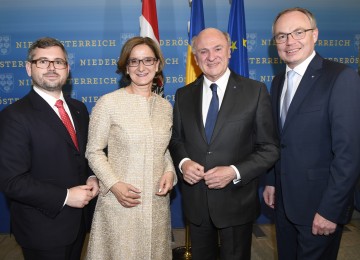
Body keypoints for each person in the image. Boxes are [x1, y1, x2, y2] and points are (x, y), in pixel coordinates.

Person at [170, 28, 279, 260]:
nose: (211, 57)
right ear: (195, 58)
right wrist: (184, 163)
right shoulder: (182, 95)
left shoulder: (255, 91)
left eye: (218, 49)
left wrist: (234, 171)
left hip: (237, 202)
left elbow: (269, 149)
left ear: (229, 52)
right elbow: (176, 140)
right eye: (203, 51)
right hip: (196, 204)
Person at [263, 7, 360, 260]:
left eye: (298, 32)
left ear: (315, 35)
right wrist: (273, 181)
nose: (289, 41)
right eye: (281, 36)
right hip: (284, 205)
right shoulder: (278, 82)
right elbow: (280, 140)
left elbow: (349, 154)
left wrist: (331, 210)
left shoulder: (341, 78)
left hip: (320, 208)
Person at [0, 37, 99, 260]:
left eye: (58, 62)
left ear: (67, 68)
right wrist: (65, 196)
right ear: (29, 68)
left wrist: (92, 176)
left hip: (78, 224)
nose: (52, 68)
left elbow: (82, 156)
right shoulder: (14, 117)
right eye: (43, 62)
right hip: (42, 230)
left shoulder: (79, 109)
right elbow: (11, 181)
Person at [85, 36, 177, 260]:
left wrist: (170, 171)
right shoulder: (108, 103)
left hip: (156, 205)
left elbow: (163, 149)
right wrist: (114, 185)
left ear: (157, 65)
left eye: (147, 60)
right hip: (120, 205)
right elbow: (93, 151)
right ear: (126, 68)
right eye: (134, 61)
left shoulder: (165, 107)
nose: (141, 67)